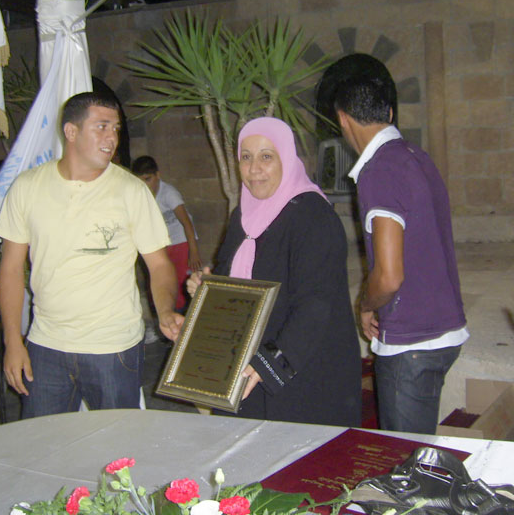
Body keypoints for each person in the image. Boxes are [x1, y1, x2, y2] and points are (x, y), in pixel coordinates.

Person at [0, 91, 180, 418]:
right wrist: (13, 341)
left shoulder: (131, 191)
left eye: (116, 128)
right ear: (71, 131)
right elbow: (10, 269)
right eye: (101, 127)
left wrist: (165, 310)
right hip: (46, 346)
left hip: (113, 348)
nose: (112, 138)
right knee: (44, 443)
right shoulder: (27, 187)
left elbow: (159, 265)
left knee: (116, 444)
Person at [187, 117, 361, 427]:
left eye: (266, 156)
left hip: (302, 370)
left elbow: (316, 304)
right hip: (246, 365)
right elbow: (231, 280)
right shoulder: (243, 216)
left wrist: (270, 363)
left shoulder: (313, 217)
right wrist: (207, 287)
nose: (254, 169)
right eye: (246, 157)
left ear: (287, 158)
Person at [330, 55, 468, 434]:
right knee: (418, 449)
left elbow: (389, 277)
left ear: (343, 119)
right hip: (442, 329)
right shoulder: (415, 157)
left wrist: (365, 304)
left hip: (412, 344)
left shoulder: (380, 169)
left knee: (405, 456)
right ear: (390, 112)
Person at [131, 155, 202, 312]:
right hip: (162, 244)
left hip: (182, 242)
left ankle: (185, 316)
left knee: (183, 282)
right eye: (140, 181)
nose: (145, 185)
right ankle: (169, 316)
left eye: (148, 179)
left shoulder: (169, 193)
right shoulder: (140, 195)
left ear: (158, 175)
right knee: (164, 281)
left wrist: (193, 251)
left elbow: (187, 223)